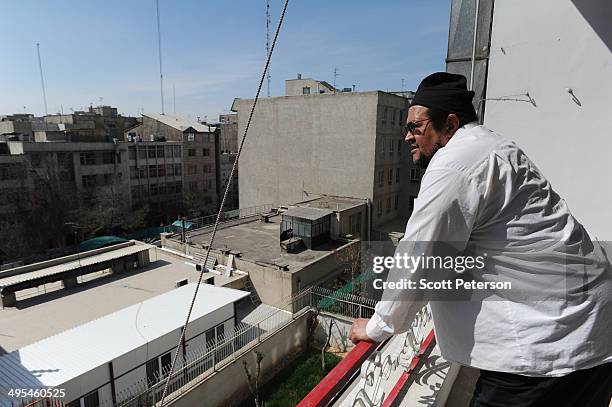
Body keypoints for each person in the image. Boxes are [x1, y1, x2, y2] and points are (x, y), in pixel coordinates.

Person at [348, 72, 612, 406]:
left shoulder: (453, 165)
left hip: (547, 346)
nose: (407, 137)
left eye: (416, 127)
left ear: (450, 123)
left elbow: (418, 258)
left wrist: (377, 326)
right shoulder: (496, 146)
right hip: (594, 331)